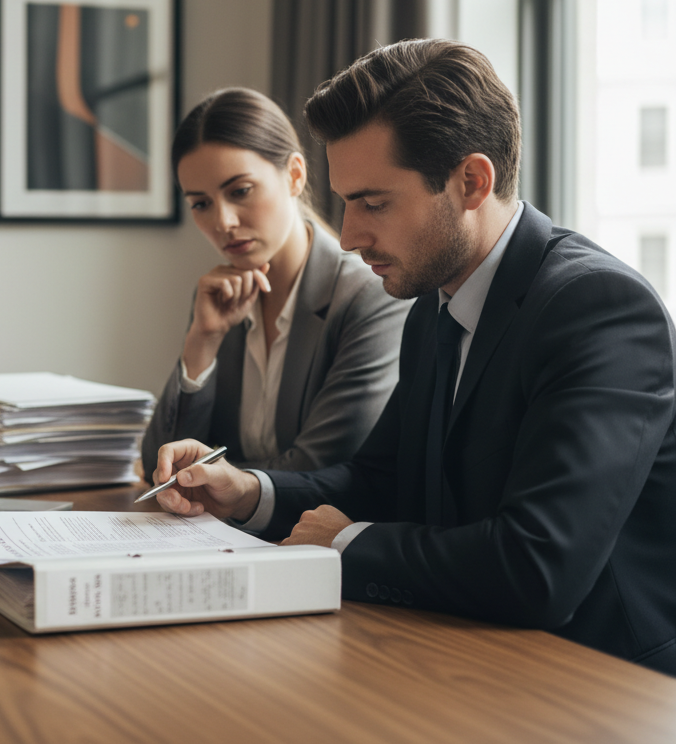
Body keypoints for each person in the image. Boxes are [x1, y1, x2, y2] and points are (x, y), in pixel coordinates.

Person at [150, 40, 676, 675]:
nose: (347, 237)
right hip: (471, 648)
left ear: (472, 182)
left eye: (374, 203)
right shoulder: (435, 300)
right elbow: (380, 478)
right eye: (345, 203)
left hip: (602, 679)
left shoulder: (598, 306)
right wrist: (246, 493)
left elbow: (540, 567)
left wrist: (346, 542)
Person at [141, 88, 410, 479]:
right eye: (201, 203)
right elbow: (159, 467)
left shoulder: (368, 296)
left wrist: (207, 478)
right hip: (221, 536)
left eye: (240, 191)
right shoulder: (220, 301)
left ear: (295, 176)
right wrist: (202, 341)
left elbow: (319, 467)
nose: (223, 222)